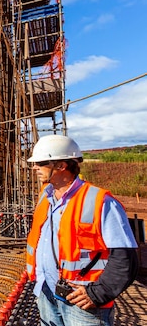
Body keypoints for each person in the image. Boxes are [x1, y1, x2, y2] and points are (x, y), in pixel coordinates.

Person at [25, 135, 138, 326]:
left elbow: (125, 258)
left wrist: (98, 293)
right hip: (46, 293)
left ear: (61, 166)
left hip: (82, 304)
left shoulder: (100, 202)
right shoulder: (46, 196)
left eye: (41, 162)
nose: (34, 167)